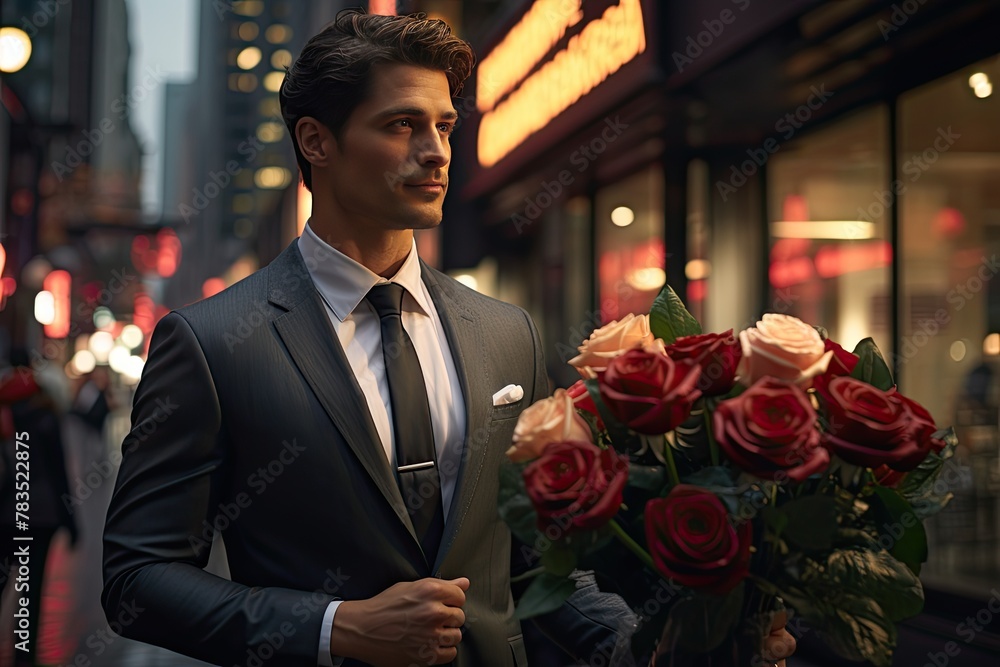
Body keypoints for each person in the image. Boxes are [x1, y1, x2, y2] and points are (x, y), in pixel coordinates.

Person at [102, 10, 794, 667]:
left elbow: (532, 566)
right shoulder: (213, 341)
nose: (436, 152)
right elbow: (137, 580)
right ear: (316, 140)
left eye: (444, 125)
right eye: (401, 126)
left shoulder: (505, 332)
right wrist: (335, 626)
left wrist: (662, 648)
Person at [1, 356, 78, 666]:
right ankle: (23, 656)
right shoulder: (46, 412)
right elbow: (59, 473)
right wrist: (72, 521)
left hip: (5, 515)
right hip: (40, 516)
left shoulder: (4, 411)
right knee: (30, 590)